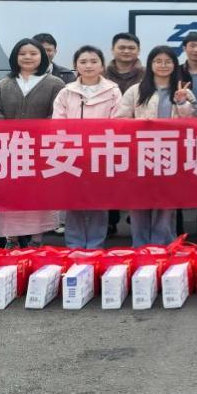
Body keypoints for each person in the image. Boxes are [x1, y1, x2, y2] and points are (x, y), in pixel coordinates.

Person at [0, 39, 65, 248]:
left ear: (42, 57)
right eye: (22, 53)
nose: (28, 57)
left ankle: (36, 240)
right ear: (15, 57)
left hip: (41, 149)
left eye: (33, 53)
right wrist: (10, 135)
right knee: (10, 196)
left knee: (37, 196)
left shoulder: (55, 84)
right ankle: (11, 239)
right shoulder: (3, 84)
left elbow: (57, 114)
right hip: (10, 150)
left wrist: (37, 135)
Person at [120, 46, 197, 247]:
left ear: (175, 65)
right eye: (158, 61)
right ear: (150, 64)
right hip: (141, 154)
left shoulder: (184, 90)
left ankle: (163, 245)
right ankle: (140, 246)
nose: (163, 65)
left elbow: (194, 122)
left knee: (166, 203)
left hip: (172, 154)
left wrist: (182, 103)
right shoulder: (135, 90)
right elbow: (120, 120)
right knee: (139, 202)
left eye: (168, 61)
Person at [51, 46, 126, 249]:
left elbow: (118, 122)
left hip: (102, 153)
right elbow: (57, 122)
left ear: (102, 65)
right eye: (83, 62)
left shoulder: (113, 91)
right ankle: (74, 245)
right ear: (75, 66)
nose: (88, 66)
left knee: (99, 202)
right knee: (73, 202)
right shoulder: (66, 92)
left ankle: (95, 245)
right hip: (72, 153)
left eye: (94, 61)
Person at [103, 31, 142, 236]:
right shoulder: (101, 73)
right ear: (113, 50)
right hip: (107, 135)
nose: (126, 51)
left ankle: (136, 216)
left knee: (136, 178)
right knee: (109, 178)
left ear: (138, 51)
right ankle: (110, 221)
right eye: (122, 47)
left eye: (131, 48)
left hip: (139, 136)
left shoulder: (146, 74)